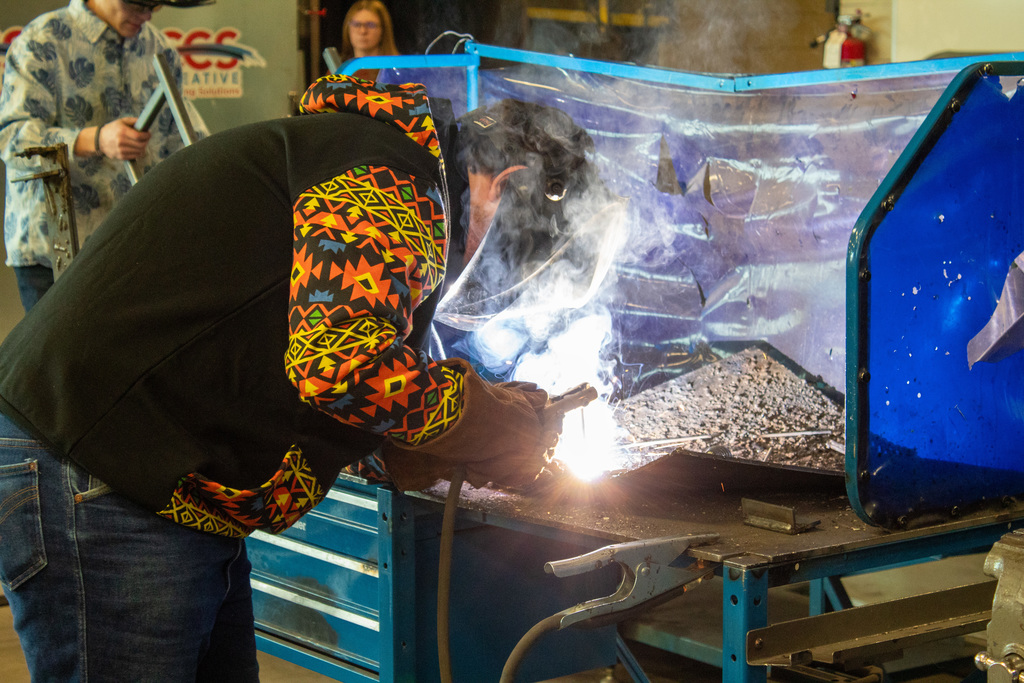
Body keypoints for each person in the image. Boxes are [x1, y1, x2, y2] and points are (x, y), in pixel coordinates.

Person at [0, 72, 606, 680]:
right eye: (497, 254)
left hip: (158, 482)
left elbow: (315, 378)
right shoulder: (386, 181)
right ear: (507, 184)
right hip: (99, 476)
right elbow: (340, 365)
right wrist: (484, 421)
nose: (473, 269)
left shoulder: (365, 161)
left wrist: (443, 436)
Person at [0, 0, 209, 312]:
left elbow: (185, 141)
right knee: (62, 360)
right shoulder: (42, 40)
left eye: (154, 6)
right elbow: (11, 139)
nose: (148, 15)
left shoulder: (158, 49)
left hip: (132, 249)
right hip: (54, 251)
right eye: (139, 5)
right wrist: (95, 139)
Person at [339, 0, 399, 80]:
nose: (363, 31)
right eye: (357, 24)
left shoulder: (396, 70)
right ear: (347, 28)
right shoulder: (339, 70)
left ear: (383, 30)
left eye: (370, 25)